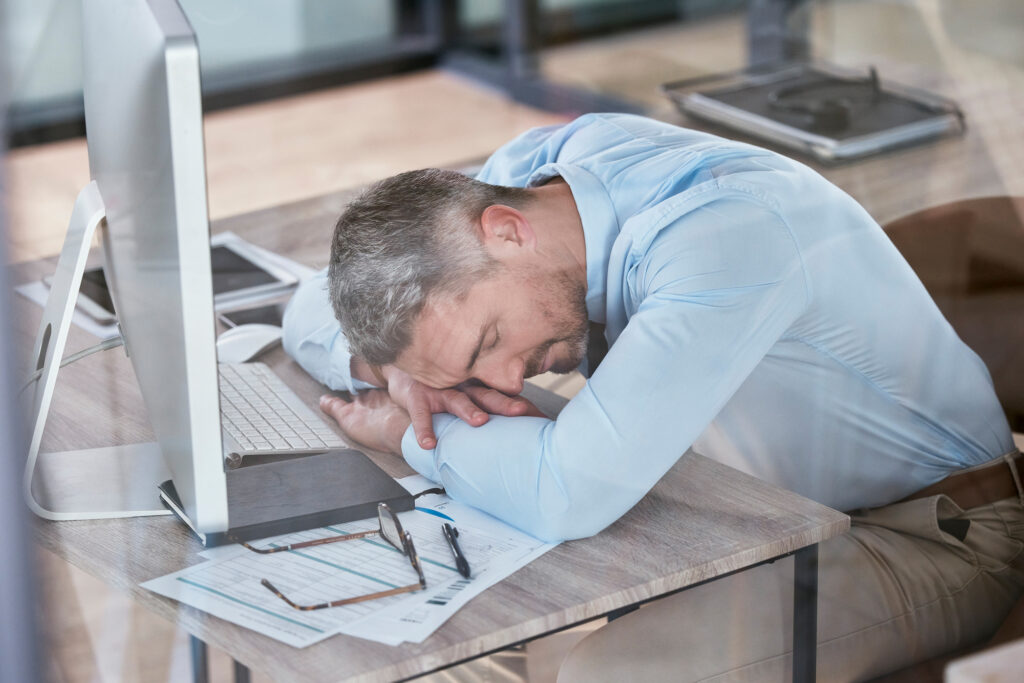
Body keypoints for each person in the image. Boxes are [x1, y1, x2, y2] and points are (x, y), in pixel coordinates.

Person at [282, 113, 1023, 681]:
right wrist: (404, 372)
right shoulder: (524, 184)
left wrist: (407, 433)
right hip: (735, 494)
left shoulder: (725, 234)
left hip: (923, 530)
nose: (506, 379)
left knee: (603, 673)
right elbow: (305, 304)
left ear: (506, 233)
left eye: (486, 344)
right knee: (453, 613)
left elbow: (567, 491)